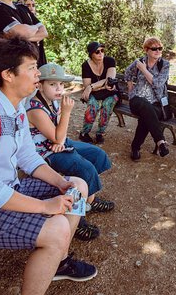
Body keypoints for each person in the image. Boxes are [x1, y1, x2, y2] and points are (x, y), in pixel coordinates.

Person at [0, 37, 98, 294]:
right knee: (57, 227)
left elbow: (29, 158)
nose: (38, 73)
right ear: (8, 75)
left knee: (77, 186)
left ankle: (59, 260)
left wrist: (61, 183)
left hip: (5, 192)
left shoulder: (16, 108)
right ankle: (56, 249)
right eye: (32, 67)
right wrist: (46, 206)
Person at [27, 62, 115, 240]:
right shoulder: (35, 108)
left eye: (61, 84)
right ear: (40, 85)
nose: (59, 88)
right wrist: (66, 115)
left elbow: (59, 133)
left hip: (57, 143)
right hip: (45, 153)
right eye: (52, 84)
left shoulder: (53, 101)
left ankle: (89, 198)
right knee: (84, 168)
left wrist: (59, 140)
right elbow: (58, 134)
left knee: (97, 154)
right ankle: (78, 221)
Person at [123, 37, 171, 161]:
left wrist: (143, 70)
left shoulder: (164, 65)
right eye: (154, 48)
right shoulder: (139, 62)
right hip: (137, 100)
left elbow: (158, 83)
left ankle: (135, 148)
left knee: (147, 114)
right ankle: (161, 141)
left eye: (160, 48)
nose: (158, 51)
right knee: (145, 106)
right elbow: (127, 73)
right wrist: (130, 88)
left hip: (157, 104)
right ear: (146, 50)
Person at [79, 42, 118, 144]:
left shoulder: (110, 61)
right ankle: (84, 132)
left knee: (107, 105)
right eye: (97, 52)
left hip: (110, 91)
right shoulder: (86, 65)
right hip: (96, 93)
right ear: (91, 54)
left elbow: (109, 80)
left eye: (102, 51)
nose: (101, 53)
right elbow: (86, 85)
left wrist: (92, 87)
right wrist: (98, 86)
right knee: (92, 106)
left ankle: (100, 133)